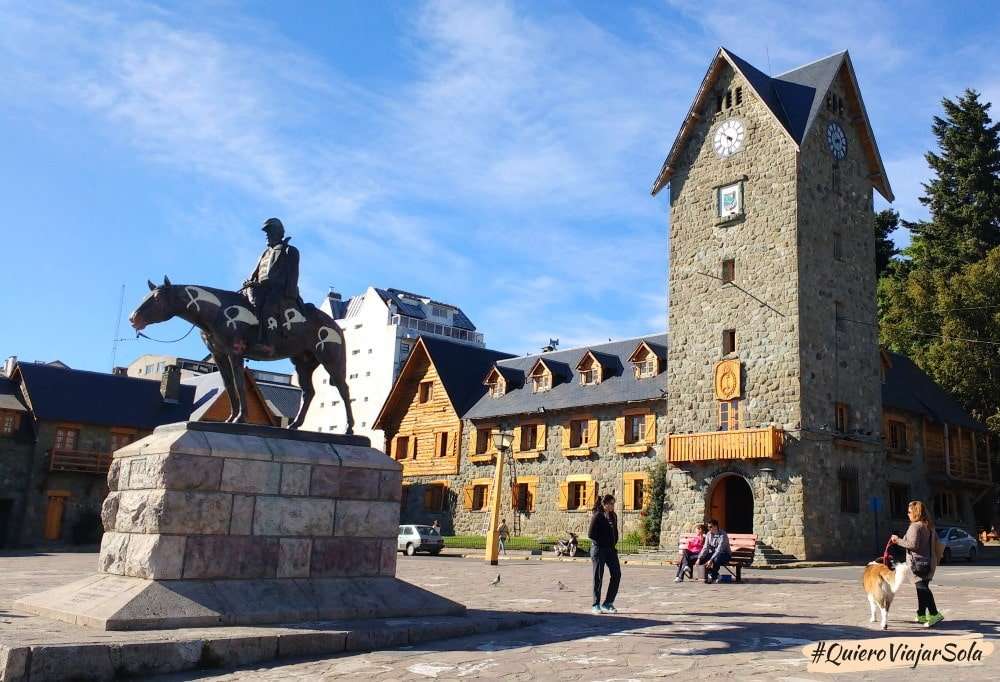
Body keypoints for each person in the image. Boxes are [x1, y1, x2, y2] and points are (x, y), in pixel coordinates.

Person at [242, 218, 301, 346]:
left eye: (270, 232)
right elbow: (256, 273)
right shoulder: (264, 254)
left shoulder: (289, 251)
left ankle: (269, 341)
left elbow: (292, 275)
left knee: (269, 306)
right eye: (267, 233)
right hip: (260, 289)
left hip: (279, 291)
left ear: (279, 233)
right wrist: (249, 282)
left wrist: (289, 295)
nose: (267, 235)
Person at [891, 500, 944, 627]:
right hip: (929, 561)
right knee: (921, 588)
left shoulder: (915, 526)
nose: (907, 514)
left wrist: (897, 540)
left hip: (918, 563)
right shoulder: (928, 525)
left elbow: (913, 545)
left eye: (909, 511)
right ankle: (921, 614)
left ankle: (935, 613)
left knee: (922, 588)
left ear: (915, 512)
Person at [588, 493, 621, 614]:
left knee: (616, 574)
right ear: (605, 504)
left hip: (611, 550)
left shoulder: (614, 516)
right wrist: (602, 543)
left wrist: (613, 543)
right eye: (611, 503)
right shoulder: (598, 516)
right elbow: (591, 534)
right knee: (598, 576)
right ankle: (595, 604)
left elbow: (615, 532)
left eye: (614, 503)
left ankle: (608, 602)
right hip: (599, 550)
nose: (613, 506)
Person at [695, 519, 731, 584]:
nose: (709, 528)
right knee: (702, 558)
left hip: (724, 555)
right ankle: (715, 575)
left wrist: (711, 559)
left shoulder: (723, 535)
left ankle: (713, 576)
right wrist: (699, 558)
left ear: (715, 526)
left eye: (710, 527)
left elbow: (719, 550)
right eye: (708, 527)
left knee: (716, 559)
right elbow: (705, 547)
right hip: (714, 554)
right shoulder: (709, 534)